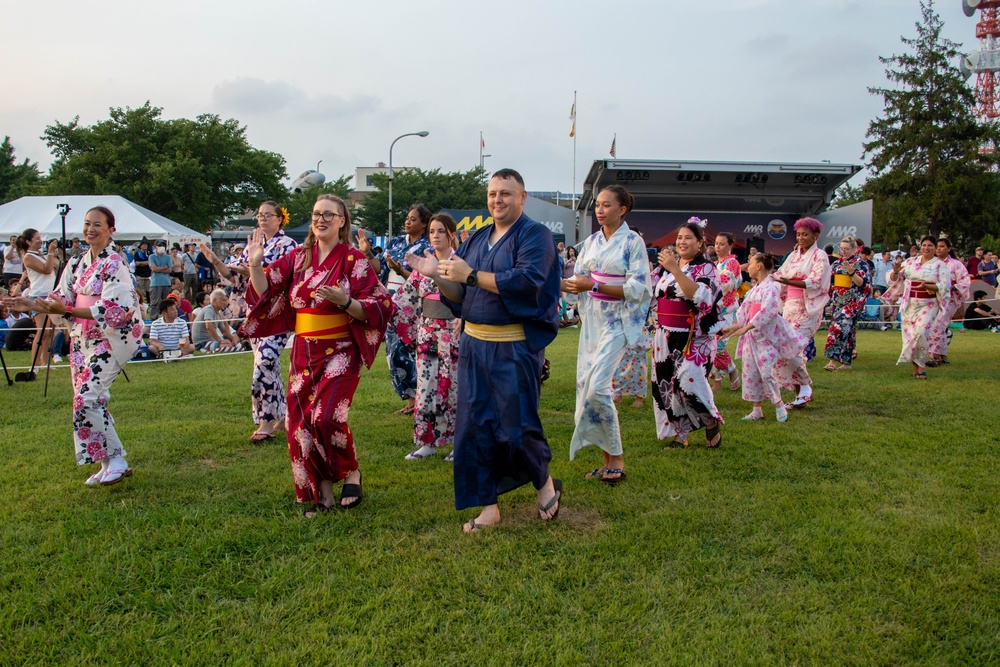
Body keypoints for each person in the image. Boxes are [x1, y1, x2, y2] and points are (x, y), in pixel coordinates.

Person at [407, 168, 562, 532]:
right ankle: (488, 506)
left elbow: (527, 283)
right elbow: (461, 297)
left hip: (513, 347)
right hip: (474, 345)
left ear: (522, 197)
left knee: (519, 424)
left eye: (506, 193)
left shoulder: (535, 236)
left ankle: (544, 485)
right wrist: (438, 276)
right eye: (493, 193)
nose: (498, 200)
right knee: (474, 427)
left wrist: (470, 276)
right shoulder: (477, 239)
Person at [242, 194, 393, 516]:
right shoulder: (298, 258)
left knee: (327, 417)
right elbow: (265, 290)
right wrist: (256, 263)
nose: (321, 219)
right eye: (316, 214)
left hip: (340, 349)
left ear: (342, 221)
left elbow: (380, 304)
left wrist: (345, 302)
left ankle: (351, 471)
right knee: (300, 425)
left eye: (329, 214)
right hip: (303, 351)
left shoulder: (354, 260)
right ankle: (319, 490)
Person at [2, 206, 141, 486]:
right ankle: (106, 462)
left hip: (107, 338)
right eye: (87, 224)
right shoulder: (77, 261)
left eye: (97, 225)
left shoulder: (115, 262)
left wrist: (67, 309)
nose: (90, 229)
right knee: (91, 399)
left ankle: (116, 459)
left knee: (86, 397)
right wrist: (29, 303)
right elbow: (59, 296)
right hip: (80, 339)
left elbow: (117, 307)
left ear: (111, 230)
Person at [560, 185, 650, 484]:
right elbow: (578, 279)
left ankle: (618, 457)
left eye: (607, 205)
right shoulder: (591, 242)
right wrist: (548, 280)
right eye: (597, 205)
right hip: (593, 322)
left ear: (622, 209)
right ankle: (606, 459)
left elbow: (638, 288)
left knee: (599, 386)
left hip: (618, 321)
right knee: (587, 388)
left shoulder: (633, 242)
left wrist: (593, 287)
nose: (600, 210)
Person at [200, 201, 298, 443]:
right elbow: (235, 278)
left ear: (280, 219)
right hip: (255, 313)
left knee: (263, 362)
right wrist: (216, 261)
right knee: (269, 365)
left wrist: (256, 268)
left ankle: (265, 421)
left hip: (278, 312)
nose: (263, 219)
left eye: (268, 215)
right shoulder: (251, 245)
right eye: (260, 215)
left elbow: (287, 277)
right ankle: (284, 415)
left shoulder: (289, 245)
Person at [391, 213, 461, 461]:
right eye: (432, 231)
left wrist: (464, 317)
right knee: (427, 387)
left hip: (454, 333)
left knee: (453, 387)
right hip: (428, 332)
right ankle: (428, 441)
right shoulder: (422, 267)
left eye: (441, 231)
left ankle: (458, 443)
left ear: (451, 234)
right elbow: (405, 300)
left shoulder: (459, 264)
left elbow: (469, 297)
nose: (436, 236)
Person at [650, 217, 724, 449]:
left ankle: (710, 421)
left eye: (688, 238)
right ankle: (679, 435)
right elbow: (649, 291)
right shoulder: (666, 267)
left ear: (700, 243)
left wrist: (675, 269)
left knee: (688, 382)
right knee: (665, 383)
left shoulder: (706, 268)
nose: (682, 242)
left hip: (693, 335)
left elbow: (700, 297)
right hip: (664, 333)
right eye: (679, 237)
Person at [722, 252, 808, 422]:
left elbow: (768, 311)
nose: (749, 266)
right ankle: (757, 409)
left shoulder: (771, 287)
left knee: (767, 371)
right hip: (752, 336)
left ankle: (779, 404)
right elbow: (744, 311)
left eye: (751, 263)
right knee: (750, 371)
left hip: (765, 336)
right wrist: (732, 328)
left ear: (759, 266)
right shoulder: (756, 289)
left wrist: (747, 327)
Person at [772, 217, 831, 408]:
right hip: (790, 306)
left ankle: (805, 388)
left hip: (808, 308)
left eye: (805, 234)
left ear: (816, 235)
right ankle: (801, 394)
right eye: (798, 234)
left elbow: (815, 281)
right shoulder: (793, 255)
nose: (801, 238)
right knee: (784, 348)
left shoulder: (820, 256)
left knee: (792, 345)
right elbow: (780, 274)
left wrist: (789, 281)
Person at [381, 204, 432, 415]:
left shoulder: (426, 247)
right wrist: (366, 252)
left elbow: (422, 281)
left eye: (413, 219)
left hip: (412, 305)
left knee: (404, 352)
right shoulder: (395, 243)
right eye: (407, 218)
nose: (407, 222)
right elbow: (379, 268)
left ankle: (418, 400)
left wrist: (399, 270)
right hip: (390, 302)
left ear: (423, 224)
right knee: (391, 352)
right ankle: (413, 400)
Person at [885, 236, 951, 378]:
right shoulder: (910, 262)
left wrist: (929, 286)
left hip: (928, 303)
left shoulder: (940, 265)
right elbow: (895, 279)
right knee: (910, 336)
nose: (926, 248)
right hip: (910, 303)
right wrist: (895, 271)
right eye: (924, 245)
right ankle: (915, 368)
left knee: (921, 332)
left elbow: (945, 285)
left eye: (930, 246)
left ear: (935, 248)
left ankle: (921, 366)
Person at [823, 237, 870, 371]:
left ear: (855, 249)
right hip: (838, 300)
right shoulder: (837, 263)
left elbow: (861, 283)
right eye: (842, 249)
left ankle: (832, 361)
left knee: (837, 327)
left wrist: (851, 271)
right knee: (848, 331)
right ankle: (846, 362)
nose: (844, 251)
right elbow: (831, 281)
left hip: (852, 301)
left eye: (847, 249)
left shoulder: (861, 264)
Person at [16, 228, 61, 368]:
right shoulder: (28, 257)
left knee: (49, 332)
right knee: (42, 331)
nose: (40, 240)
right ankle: (34, 365)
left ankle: (45, 363)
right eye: (37, 238)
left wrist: (53, 255)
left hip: (50, 294)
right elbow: (46, 270)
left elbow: (56, 267)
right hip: (39, 294)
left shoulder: (41, 254)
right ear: (28, 241)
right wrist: (50, 253)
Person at [927, 239, 971, 366]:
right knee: (936, 326)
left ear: (949, 248)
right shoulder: (930, 263)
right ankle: (943, 355)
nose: (939, 249)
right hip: (931, 299)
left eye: (942, 246)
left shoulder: (956, 264)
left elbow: (965, 281)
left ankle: (934, 356)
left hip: (949, 299)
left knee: (938, 325)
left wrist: (950, 287)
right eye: (937, 246)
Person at [711, 232, 742, 391]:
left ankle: (732, 370)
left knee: (718, 347)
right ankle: (717, 381)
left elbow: (726, 282)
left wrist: (707, 283)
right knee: (711, 346)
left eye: (722, 244)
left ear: (730, 245)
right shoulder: (718, 263)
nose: (718, 247)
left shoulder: (732, 263)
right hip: (714, 311)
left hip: (727, 311)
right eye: (716, 243)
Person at [148, 240, 173, 317]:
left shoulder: (168, 257)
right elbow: (153, 268)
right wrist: (164, 267)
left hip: (166, 282)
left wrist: (159, 268)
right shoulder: (152, 256)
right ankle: (153, 319)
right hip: (155, 282)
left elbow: (170, 270)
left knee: (166, 302)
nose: (162, 247)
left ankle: (165, 318)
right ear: (155, 247)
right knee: (155, 302)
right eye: (160, 245)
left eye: (163, 245)